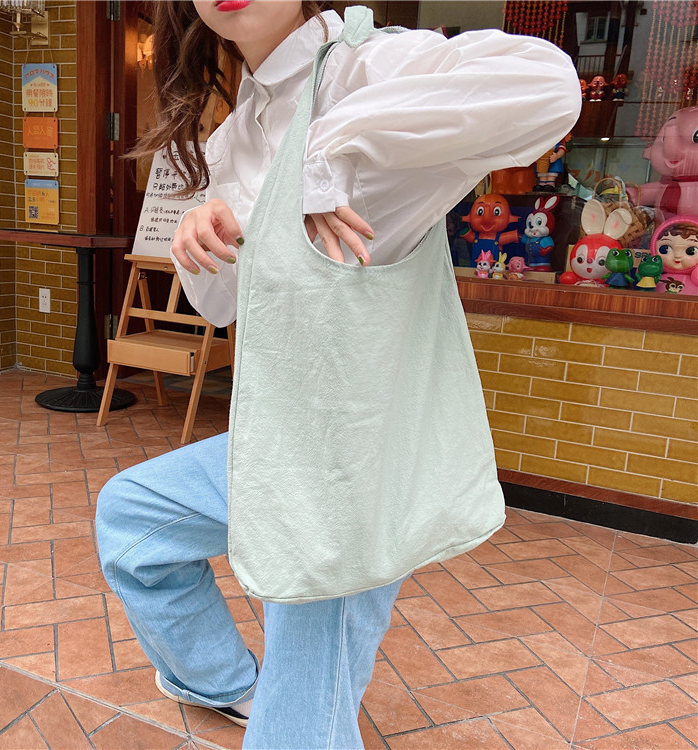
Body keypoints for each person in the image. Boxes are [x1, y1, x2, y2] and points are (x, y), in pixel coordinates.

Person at [95, 3, 581, 748]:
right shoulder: (235, 134)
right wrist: (206, 229)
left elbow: (548, 86)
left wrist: (325, 154)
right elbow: (222, 306)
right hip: (280, 447)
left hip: (353, 471)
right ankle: (228, 686)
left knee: (300, 730)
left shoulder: (367, 65)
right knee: (132, 520)